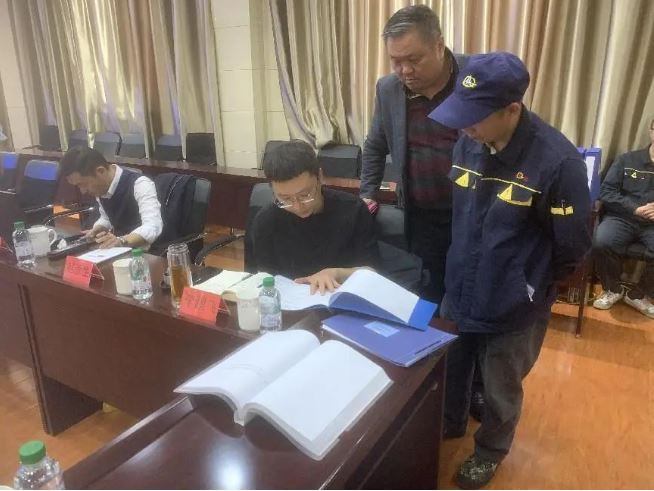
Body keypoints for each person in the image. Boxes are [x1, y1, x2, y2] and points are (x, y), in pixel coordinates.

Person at [429, 52, 591, 489]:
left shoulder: (558, 163)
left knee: (501, 386)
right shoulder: (469, 141)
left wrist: (529, 282)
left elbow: (572, 245)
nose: (465, 127)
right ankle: (449, 422)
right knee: (453, 366)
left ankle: (490, 451)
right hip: (460, 286)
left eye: (475, 117)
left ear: (512, 109)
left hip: (515, 299)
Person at [360, 4, 468, 305]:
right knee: (428, 292)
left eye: (414, 60)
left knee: (470, 292)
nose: (405, 70)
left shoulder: (473, 77)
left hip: (471, 212)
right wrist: (367, 194)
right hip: (422, 216)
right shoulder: (388, 89)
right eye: (396, 61)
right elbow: (375, 145)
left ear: (439, 46)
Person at [250, 140, 378, 294]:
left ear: (320, 177)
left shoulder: (353, 210)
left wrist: (336, 273)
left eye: (305, 195)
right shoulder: (266, 221)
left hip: (340, 299)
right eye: (285, 199)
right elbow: (264, 278)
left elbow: (371, 272)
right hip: (290, 303)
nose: (297, 206)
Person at [592, 118, 654, 318]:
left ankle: (639, 295)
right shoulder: (627, 160)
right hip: (623, 218)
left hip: (652, 225)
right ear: (651, 131)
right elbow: (606, 192)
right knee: (601, 241)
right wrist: (635, 209)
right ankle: (613, 288)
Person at [60, 146, 163, 249]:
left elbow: (153, 226)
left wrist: (122, 240)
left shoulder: (140, 184)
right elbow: (106, 217)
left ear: (100, 171)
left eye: (83, 184)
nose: (83, 191)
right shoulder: (102, 188)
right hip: (121, 250)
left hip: (150, 252)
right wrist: (99, 227)